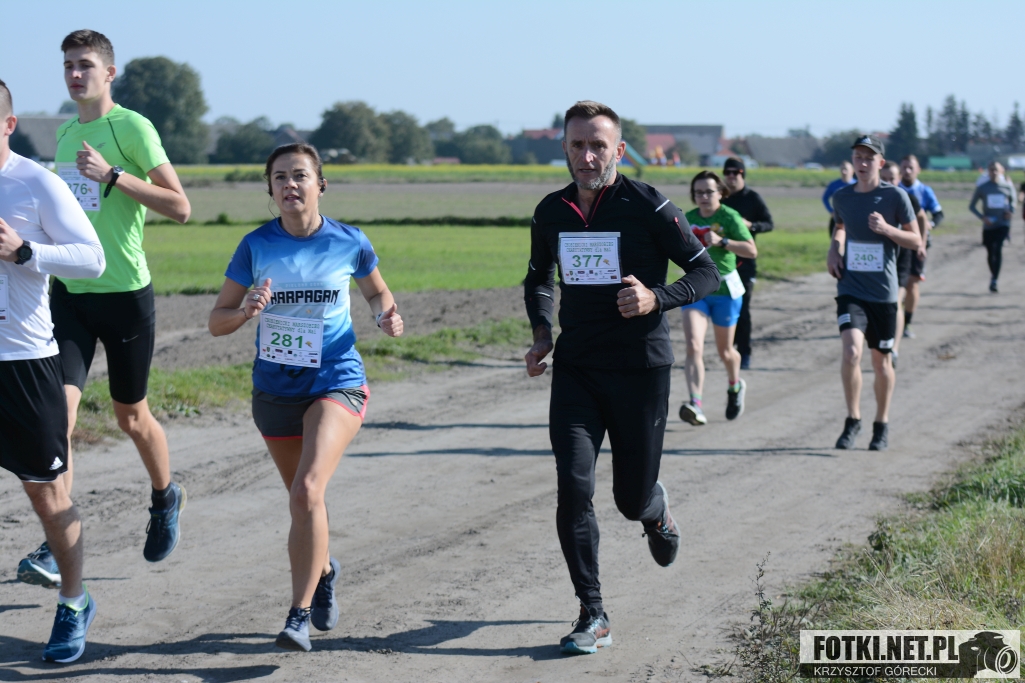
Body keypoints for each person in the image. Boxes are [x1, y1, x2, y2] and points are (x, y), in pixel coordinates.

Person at [523, 101, 720, 655]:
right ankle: (593, 612)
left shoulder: (649, 204)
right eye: (577, 145)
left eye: (598, 146)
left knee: (629, 498)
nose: (587, 156)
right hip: (578, 369)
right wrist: (542, 333)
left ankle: (654, 510)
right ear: (564, 147)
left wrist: (657, 297)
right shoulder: (551, 210)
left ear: (619, 150)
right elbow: (538, 277)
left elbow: (706, 272)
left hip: (640, 370)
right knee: (573, 488)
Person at [209, 143, 403, 652]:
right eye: (279, 177)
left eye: (299, 175)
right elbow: (217, 321)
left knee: (306, 490)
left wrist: (385, 315)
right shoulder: (255, 245)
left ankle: (297, 616)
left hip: (336, 380)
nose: (289, 184)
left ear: (321, 185)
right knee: (304, 502)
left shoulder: (349, 240)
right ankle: (325, 570)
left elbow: (377, 292)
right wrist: (246, 311)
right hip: (275, 390)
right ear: (270, 189)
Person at [17, 30, 193, 588]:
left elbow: (181, 207)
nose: (75, 74)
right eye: (68, 65)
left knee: (130, 416)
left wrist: (114, 175)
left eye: (85, 65)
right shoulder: (66, 132)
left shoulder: (132, 128)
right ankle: (57, 543)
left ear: (109, 73)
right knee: (60, 418)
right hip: (70, 295)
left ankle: (164, 497)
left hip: (125, 296)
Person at [0, 78, 106, 661]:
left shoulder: (35, 182)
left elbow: (92, 259)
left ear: (8, 125)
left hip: (23, 362)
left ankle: (73, 600)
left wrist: (25, 251)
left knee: (47, 495)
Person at [828, 135, 920, 451]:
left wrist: (887, 230)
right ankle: (853, 419)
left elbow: (916, 240)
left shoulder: (895, 196)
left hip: (883, 293)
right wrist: (834, 249)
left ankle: (881, 424)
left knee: (881, 363)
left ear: (880, 163)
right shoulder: (842, 196)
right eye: (858, 157)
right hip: (851, 288)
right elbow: (840, 226)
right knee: (852, 352)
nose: (863, 163)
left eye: (869, 158)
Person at [679, 171, 757, 424]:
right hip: (697, 290)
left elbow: (751, 250)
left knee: (725, 351)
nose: (703, 197)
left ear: (721, 193)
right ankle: (695, 404)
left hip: (725, 292)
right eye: (698, 192)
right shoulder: (687, 219)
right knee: (693, 346)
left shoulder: (729, 216)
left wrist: (723, 241)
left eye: (709, 192)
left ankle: (735, 385)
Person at [721, 157, 772, 370]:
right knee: (725, 307)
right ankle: (728, 350)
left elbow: (769, 223)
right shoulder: (720, 198)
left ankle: (745, 352)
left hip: (745, 262)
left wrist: (751, 225)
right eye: (728, 172)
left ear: (743, 174)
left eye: (736, 172)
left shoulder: (753, 198)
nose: (731, 176)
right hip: (723, 262)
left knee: (743, 308)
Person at [880, 162, 927, 367]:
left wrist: (921, 243)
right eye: (884, 178)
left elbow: (922, 218)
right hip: (879, 257)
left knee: (895, 300)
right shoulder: (872, 197)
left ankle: (894, 349)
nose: (888, 182)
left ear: (899, 179)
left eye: (892, 178)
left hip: (902, 256)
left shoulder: (907, 199)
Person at [898, 155, 943, 338]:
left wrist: (931, 224)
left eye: (911, 167)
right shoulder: (893, 188)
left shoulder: (924, 190)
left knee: (912, 283)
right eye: (904, 167)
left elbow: (938, 213)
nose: (907, 171)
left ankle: (907, 323)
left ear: (918, 170)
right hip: (897, 241)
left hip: (918, 244)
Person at [969, 161, 1016, 293]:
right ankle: (993, 274)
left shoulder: (1007, 187)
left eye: (996, 170)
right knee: (990, 251)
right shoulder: (983, 188)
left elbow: (1013, 202)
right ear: (988, 172)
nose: (994, 172)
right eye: (991, 170)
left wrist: (1011, 211)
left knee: (997, 248)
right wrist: (982, 217)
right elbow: (972, 206)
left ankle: (995, 279)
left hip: (1003, 224)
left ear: (1001, 171)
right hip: (989, 225)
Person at [823, 160, 856, 235]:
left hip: (853, 219)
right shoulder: (834, 184)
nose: (843, 172)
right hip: (837, 218)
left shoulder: (857, 185)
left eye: (846, 169)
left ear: (852, 171)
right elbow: (825, 198)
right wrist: (831, 211)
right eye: (842, 169)